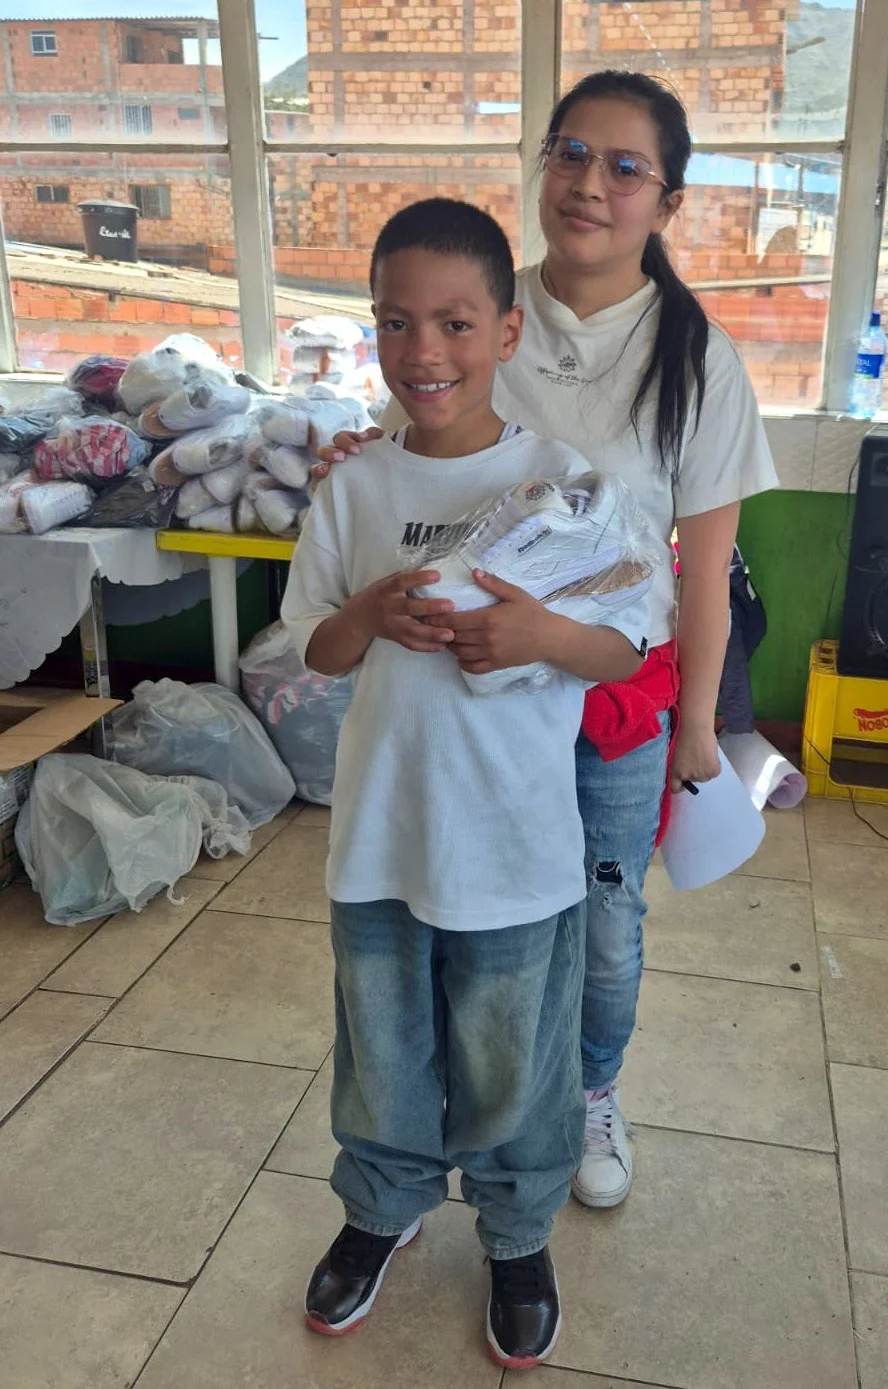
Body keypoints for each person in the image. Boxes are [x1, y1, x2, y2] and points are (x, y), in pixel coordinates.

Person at [316, 71, 779, 1210]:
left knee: (603, 924)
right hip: (470, 702)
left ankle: (589, 1093)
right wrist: (352, 454)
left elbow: (703, 571)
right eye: (570, 153)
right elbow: (410, 447)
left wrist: (698, 730)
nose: (589, 184)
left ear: (667, 202)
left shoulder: (697, 357)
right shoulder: (475, 304)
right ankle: (427, 1144)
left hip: (611, 695)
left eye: (625, 167)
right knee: (457, 923)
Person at [281, 197, 649, 1370]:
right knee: (382, 1047)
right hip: (382, 841)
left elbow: (626, 645)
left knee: (512, 1058)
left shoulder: (564, 481)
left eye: (453, 323)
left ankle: (517, 1233)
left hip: (515, 851)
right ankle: (380, 1209)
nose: (423, 352)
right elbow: (311, 649)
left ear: (505, 332)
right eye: (395, 323)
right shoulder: (353, 489)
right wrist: (368, 610)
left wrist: (541, 636)